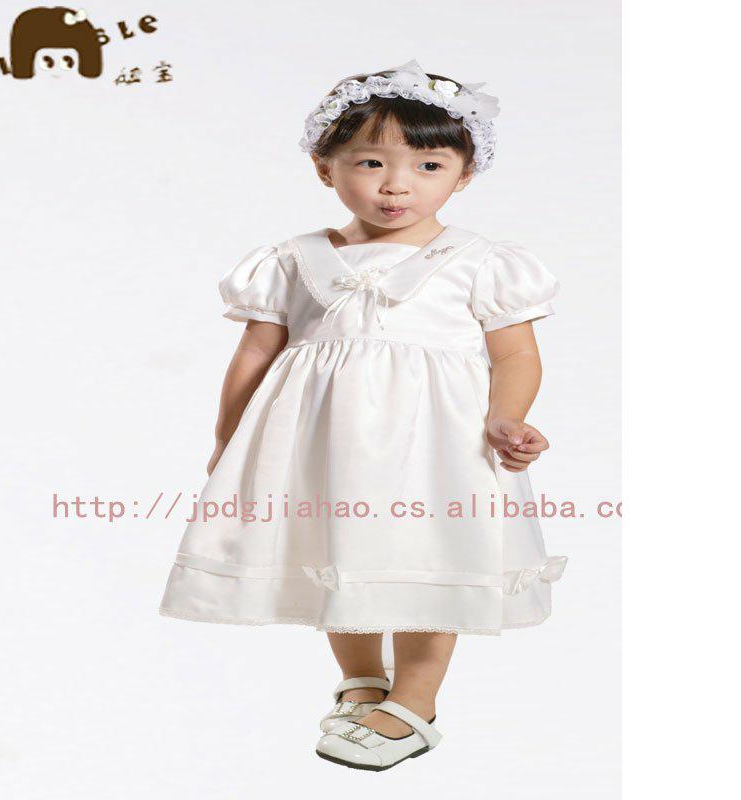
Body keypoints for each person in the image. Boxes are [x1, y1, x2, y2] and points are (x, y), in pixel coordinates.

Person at [159, 58, 568, 771]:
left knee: (429, 554)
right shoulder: (295, 260)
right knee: (334, 549)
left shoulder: (479, 261)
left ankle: (415, 700)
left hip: (436, 445)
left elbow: (515, 354)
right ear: (326, 167)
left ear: (464, 175)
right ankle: (362, 679)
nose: (396, 184)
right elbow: (255, 353)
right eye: (371, 162)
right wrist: (229, 439)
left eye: (429, 165)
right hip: (321, 444)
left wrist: (507, 417)